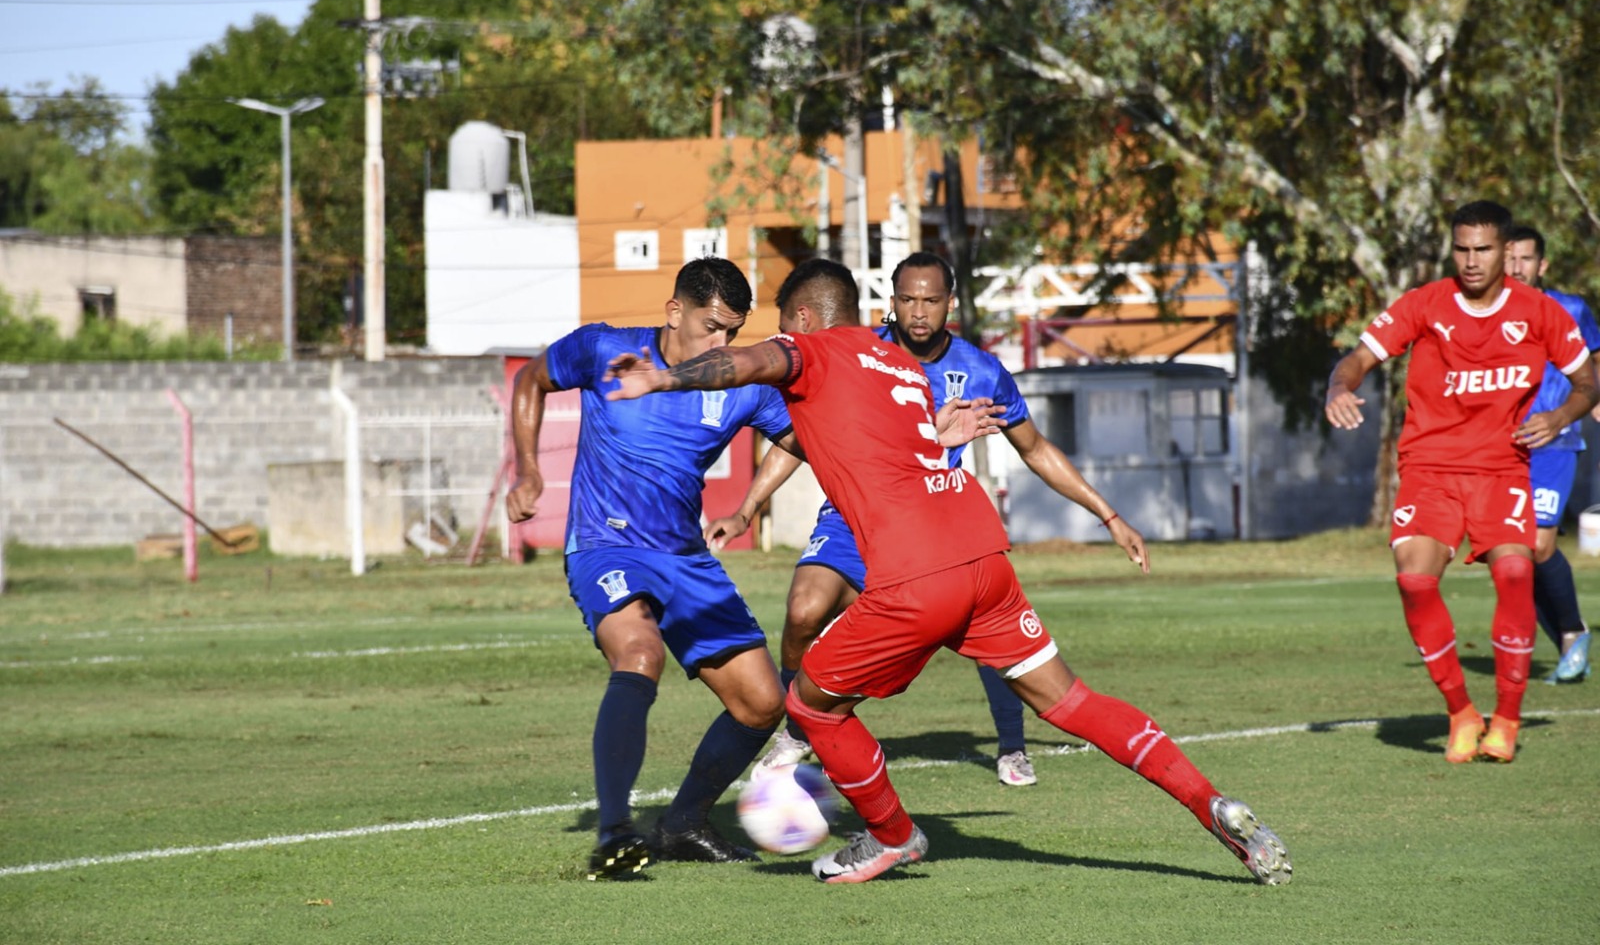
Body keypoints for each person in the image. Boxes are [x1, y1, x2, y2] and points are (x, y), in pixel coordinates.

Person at [605, 258, 1292, 886]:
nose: (776, 335)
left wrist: (665, 376)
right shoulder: (897, 365)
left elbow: (745, 364)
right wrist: (940, 436)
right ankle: (1214, 803)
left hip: (914, 573)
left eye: (784, 322)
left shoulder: (810, 348)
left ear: (805, 318)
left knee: (810, 703)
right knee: (1071, 701)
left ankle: (891, 837)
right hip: (981, 556)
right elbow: (877, 441)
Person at [708, 251, 1147, 787]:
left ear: (950, 304)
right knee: (803, 610)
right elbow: (799, 438)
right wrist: (747, 508)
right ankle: (800, 726)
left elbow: (1034, 449)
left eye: (931, 300)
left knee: (984, 630)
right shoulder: (859, 350)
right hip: (855, 518)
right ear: (890, 303)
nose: (918, 312)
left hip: (934, 527)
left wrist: (1110, 515)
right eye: (907, 299)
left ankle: (1011, 746)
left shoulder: (981, 369)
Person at [506, 257, 804, 880]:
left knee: (761, 702)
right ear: (674, 313)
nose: (722, 344)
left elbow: (805, 439)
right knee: (640, 654)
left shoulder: (741, 383)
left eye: (734, 331)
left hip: (685, 558)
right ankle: (614, 832)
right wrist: (529, 470)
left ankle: (683, 824)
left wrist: (751, 505)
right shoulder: (605, 349)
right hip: (605, 546)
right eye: (712, 327)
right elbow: (531, 380)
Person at [1325, 201, 1597, 764]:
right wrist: (1339, 388)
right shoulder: (1424, 304)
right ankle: (1461, 712)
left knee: (1518, 571)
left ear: (1505, 252)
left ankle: (1508, 718)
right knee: (1414, 582)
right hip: (1430, 469)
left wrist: (1560, 417)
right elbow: (1358, 357)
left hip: (1502, 468)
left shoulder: (1540, 312)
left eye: (1484, 249)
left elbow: (1587, 384)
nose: (1471, 261)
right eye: (1462, 249)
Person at [1504, 224, 1598, 683]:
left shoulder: (1571, 308)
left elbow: (1593, 358)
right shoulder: (1487, 312)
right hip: (1502, 445)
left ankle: (1572, 635)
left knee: (1539, 544)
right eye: (1509, 258)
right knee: (1511, 555)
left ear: (1542, 265)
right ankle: (1568, 638)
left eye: (1525, 259)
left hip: (1554, 441)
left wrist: (1595, 401)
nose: (1516, 267)